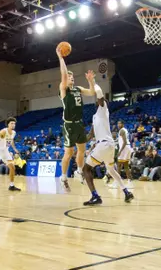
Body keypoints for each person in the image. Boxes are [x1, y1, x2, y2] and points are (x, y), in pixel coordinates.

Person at [81, 83, 133, 205]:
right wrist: (78, 141)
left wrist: (93, 83)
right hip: (109, 146)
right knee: (111, 169)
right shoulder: (95, 117)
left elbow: (99, 94)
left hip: (104, 145)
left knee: (86, 169)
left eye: (102, 101)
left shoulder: (103, 109)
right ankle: (126, 192)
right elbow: (90, 136)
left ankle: (95, 196)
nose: (100, 101)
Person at [57, 45, 96, 191]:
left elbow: (92, 92)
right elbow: (63, 74)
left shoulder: (78, 89)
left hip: (79, 123)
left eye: (72, 77)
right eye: (69, 77)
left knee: (82, 150)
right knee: (69, 153)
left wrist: (91, 81)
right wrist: (61, 58)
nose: (70, 78)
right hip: (69, 125)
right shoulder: (64, 90)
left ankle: (79, 171)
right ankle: (63, 177)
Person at [117, 120, 134, 188]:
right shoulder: (125, 130)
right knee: (126, 165)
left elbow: (124, 142)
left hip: (124, 148)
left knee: (119, 165)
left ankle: (117, 182)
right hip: (127, 147)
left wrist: (120, 151)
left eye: (120, 123)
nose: (118, 124)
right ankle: (130, 182)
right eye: (118, 123)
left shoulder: (122, 131)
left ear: (123, 124)